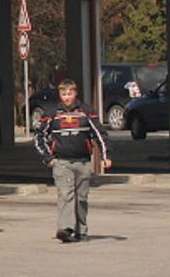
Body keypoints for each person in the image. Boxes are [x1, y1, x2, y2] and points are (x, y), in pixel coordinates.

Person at [33, 78, 111, 242]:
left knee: (81, 198)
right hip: (61, 162)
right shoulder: (52, 113)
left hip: (83, 162)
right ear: (60, 95)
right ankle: (65, 229)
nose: (67, 97)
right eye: (63, 94)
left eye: (70, 93)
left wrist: (106, 156)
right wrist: (48, 158)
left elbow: (100, 134)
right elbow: (38, 136)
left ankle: (81, 229)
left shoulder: (86, 112)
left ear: (75, 93)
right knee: (65, 194)